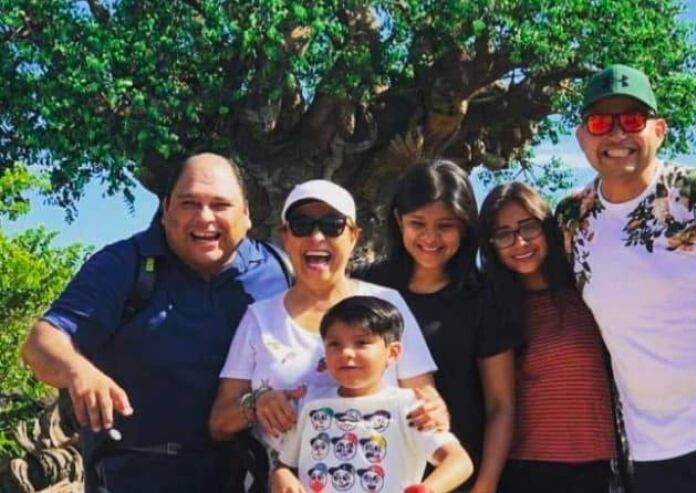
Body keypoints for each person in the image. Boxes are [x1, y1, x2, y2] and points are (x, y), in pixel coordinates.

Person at [556, 64, 696, 492]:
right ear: (583, 138)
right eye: (601, 122)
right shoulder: (572, 218)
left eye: (633, 120)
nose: (617, 135)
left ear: (659, 130)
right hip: (656, 448)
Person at [21, 153, 291, 492]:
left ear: (246, 214)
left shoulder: (279, 270)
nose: (205, 217)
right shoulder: (124, 265)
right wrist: (79, 372)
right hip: (135, 478)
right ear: (165, 210)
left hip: (249, 478)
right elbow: (41, 342)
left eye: (220, 205)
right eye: (189, 203)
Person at [209, 180, 446, 480]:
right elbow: (219, 423)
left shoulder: (387, 305)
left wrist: (434, 414)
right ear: (285, 236)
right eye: (302, 224)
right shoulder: (259, 318)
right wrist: (256, 404)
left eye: (333, 225)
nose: (316, 236)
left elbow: (426, 406)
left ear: (354, 236)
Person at [356, 159, 514, 493]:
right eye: (418, 223)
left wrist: (484, 485)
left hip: (458, 476)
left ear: (466, 227)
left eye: (445, 225)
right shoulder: (364, 288)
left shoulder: (484, 297)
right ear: (399, 221)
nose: (430, 237)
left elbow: (500, 404)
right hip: (372, 473)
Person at [478, 182, 617, 492]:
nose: (520, 241)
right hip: (527, 469)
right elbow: (497, 406)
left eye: (529, 227)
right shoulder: (494, 308)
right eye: (503, 234)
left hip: (600, 467)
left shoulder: (587, 289)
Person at [271, 295, 473, 493]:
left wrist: (427, 489)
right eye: (335, 344)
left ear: (393, 353)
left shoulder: (408, 407)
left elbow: (458, 460)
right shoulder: (310, 403)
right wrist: (283, 476)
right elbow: (285, 464)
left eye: (362, 343)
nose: (346, 353)